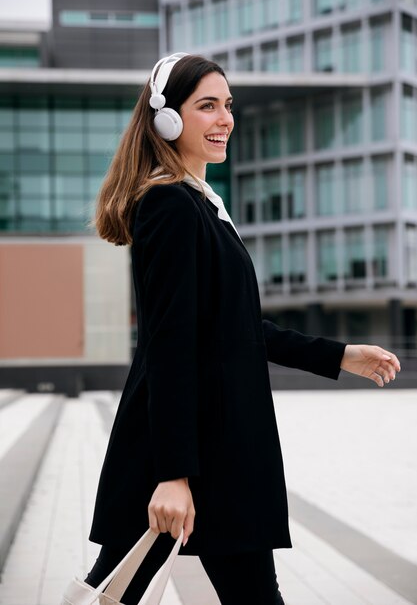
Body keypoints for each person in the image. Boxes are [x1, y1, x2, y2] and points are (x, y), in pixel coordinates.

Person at [83, 53, 400, 605]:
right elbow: (171, 344)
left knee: (123, 591)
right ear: (168, 120)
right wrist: (175, 475)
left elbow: (235, 329)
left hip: (219, 453)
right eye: (207, 106)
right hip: (193, 457)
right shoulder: (171, 206)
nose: (225, 118)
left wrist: (340, 354)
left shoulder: (202, 205)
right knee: (119, 591)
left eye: (228, 105)